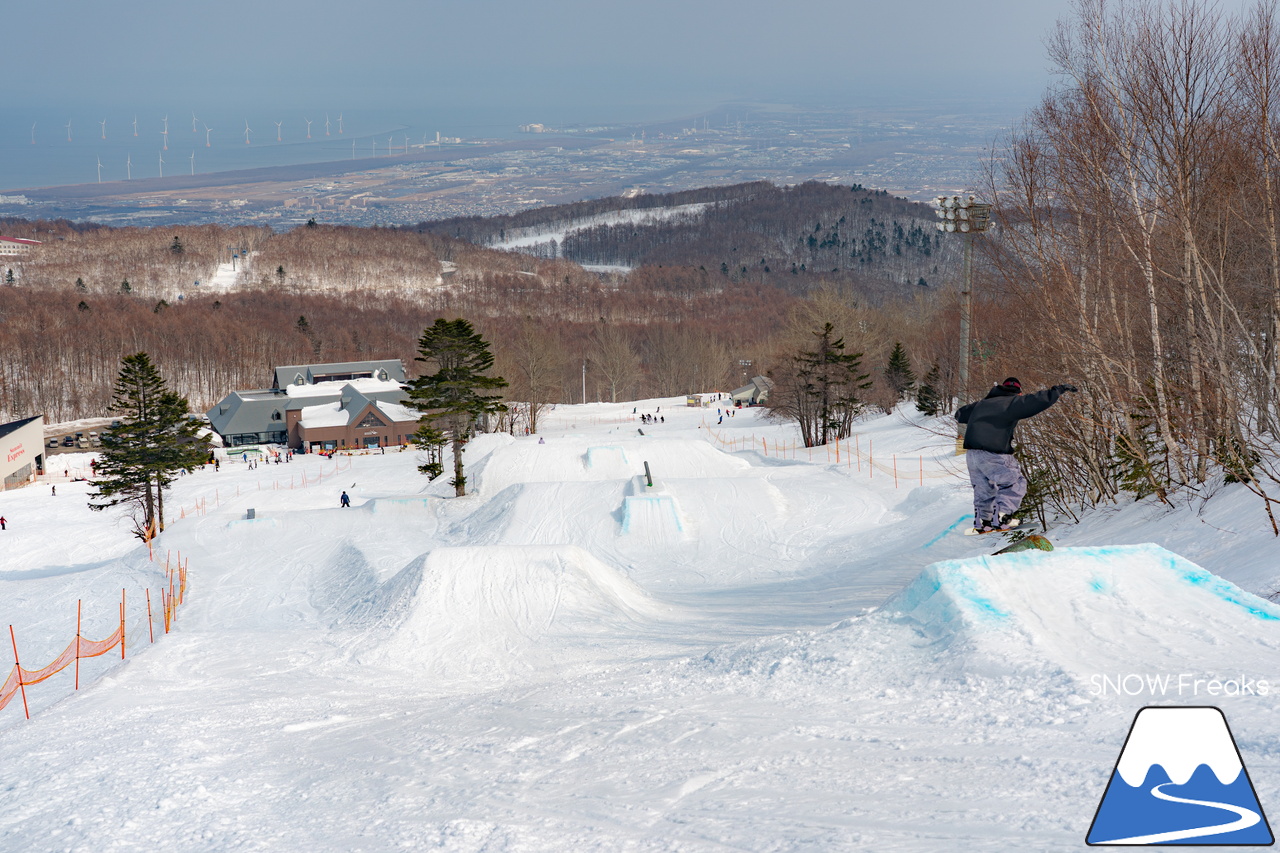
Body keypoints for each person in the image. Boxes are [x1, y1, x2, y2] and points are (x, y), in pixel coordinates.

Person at [956, 376, 1077, 532]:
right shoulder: (1011, 403)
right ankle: (1001, 516)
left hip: (973, 456)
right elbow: (1035, 401)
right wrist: (1058, 390)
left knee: (983, 488)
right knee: (1014, 482)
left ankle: (983, 521)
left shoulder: (981, 404)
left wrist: (984, 406)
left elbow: (960, 414)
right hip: (994, 454)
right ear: (1019, 393)